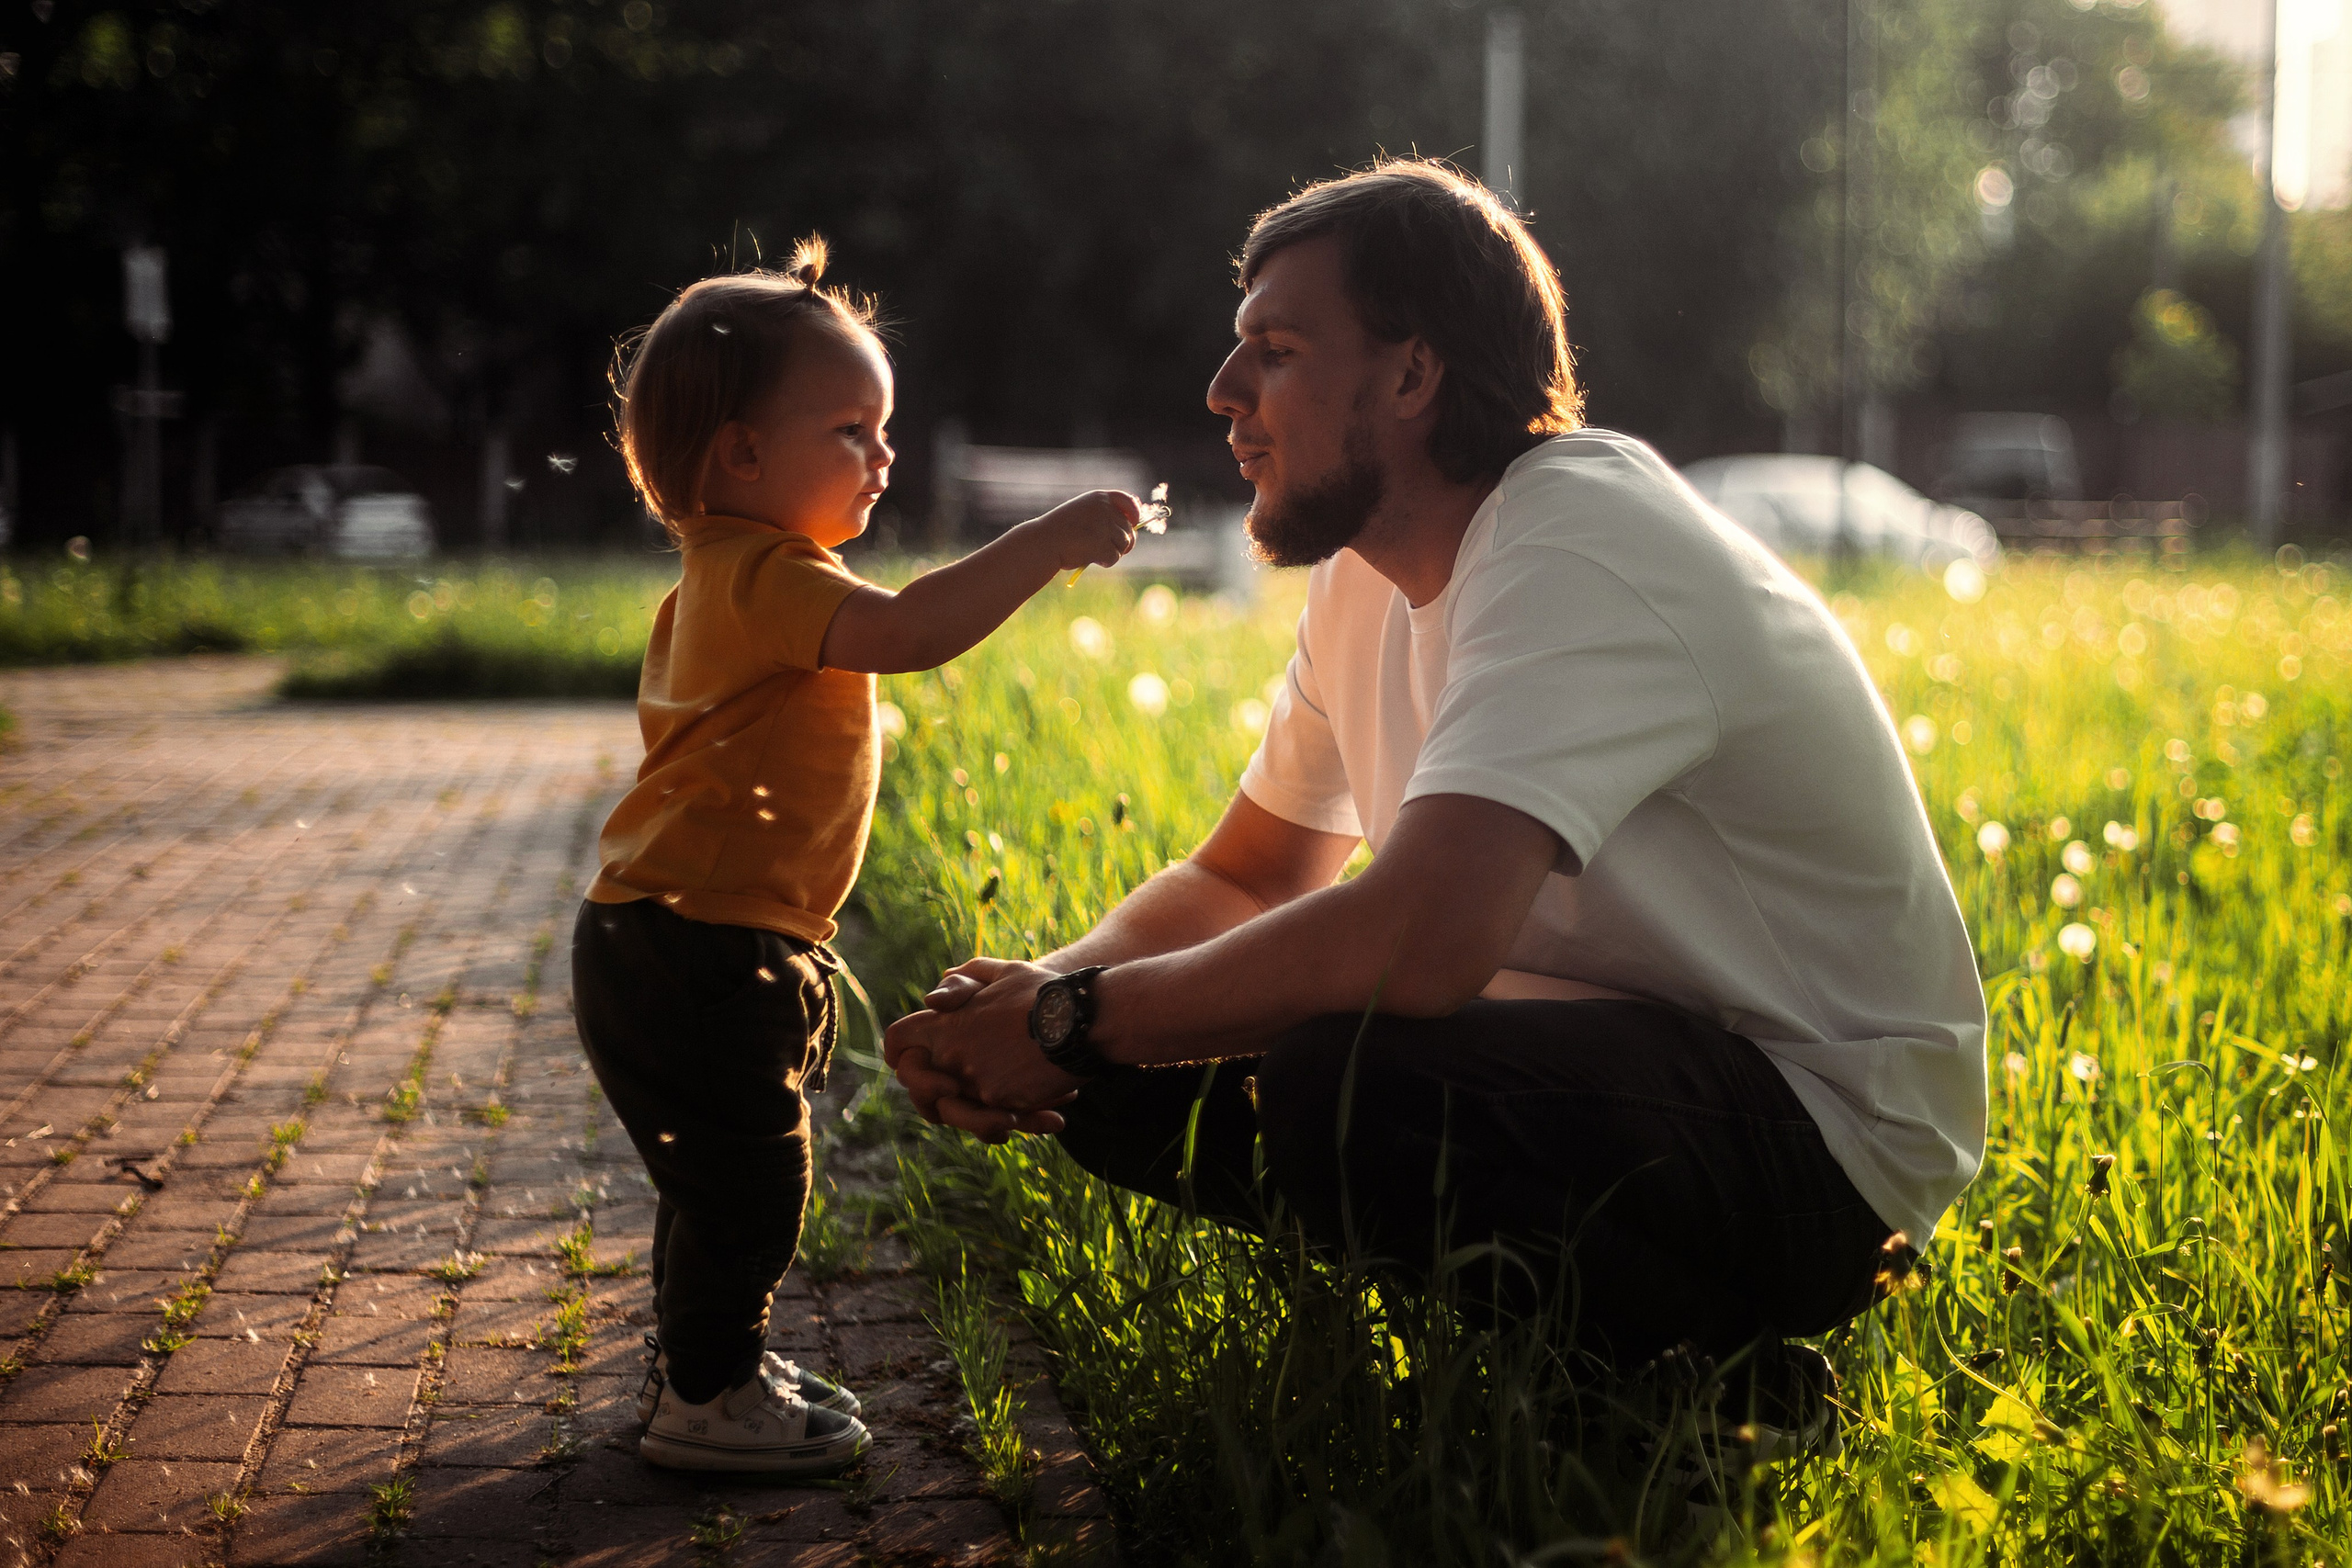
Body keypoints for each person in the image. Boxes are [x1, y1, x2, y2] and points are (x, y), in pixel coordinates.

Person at [883, 161, 1987, 1446]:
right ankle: (1606, 1350)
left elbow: (1423, 938)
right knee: (1126, 1079)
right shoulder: (1364, 574)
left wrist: (1072, 1019)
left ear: (1413, 377)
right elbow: (1244, 877)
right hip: (1609, 1070)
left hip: (1827, 1149)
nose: (1224, 393)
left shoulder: (1578, 536)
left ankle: (1696, 1385)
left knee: (1329, 1079)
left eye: (1276, 350)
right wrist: (1029, 1008)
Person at [572, 239, 1139, 1475]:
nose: (883, 455)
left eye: (883, 428)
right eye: (851, 430)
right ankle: (707, 1397)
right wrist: (1043, 544)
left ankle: (708, 1369)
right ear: (741, 458)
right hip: (701, 947)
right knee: (753, 1185)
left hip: (669, 934)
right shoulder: (768, 573)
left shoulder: (727, 578)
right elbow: (909, 630)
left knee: (712, 1181)